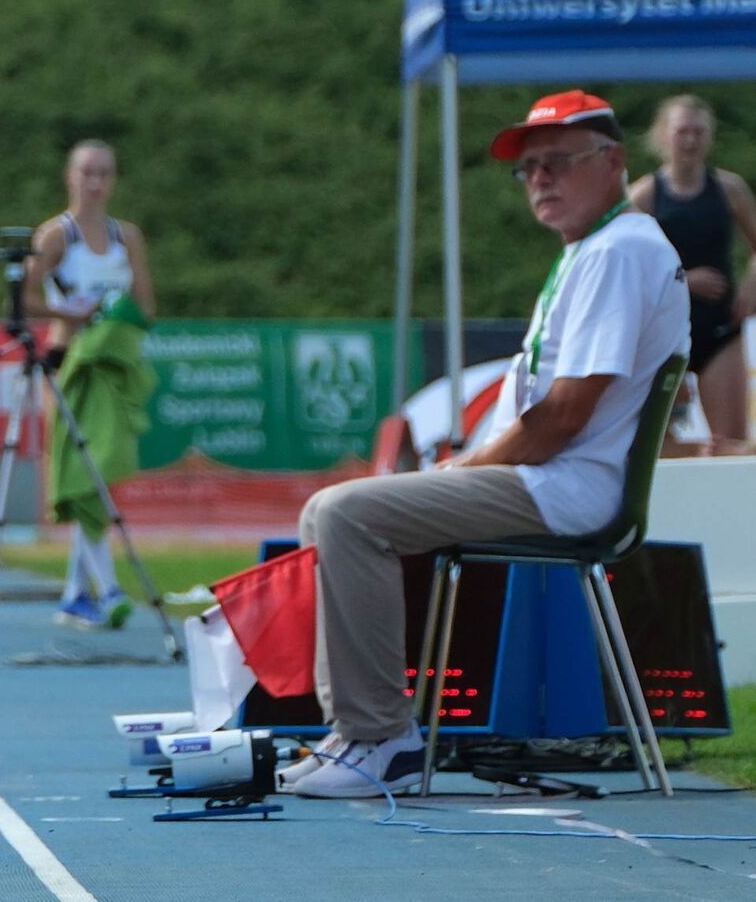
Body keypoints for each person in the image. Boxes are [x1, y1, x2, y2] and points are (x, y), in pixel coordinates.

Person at [285, 90, 688, 798]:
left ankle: (384, 739)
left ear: (615, 161)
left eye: (558, 162)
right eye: (529, 169)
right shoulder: (599, 249)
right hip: (556, 479)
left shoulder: (619, 251)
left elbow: (564, 417)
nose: (541, 179)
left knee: (347, 514)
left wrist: (464, 465)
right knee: (325, 513)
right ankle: (356, 733)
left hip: (568, 487)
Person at [24, 141, 155, 630]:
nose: (96, 182)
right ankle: (109, 586)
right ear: (70, 177)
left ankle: (76, 593)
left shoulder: (128, 237)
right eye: (87, 173)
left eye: (104, 173)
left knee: (100, 474)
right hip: (69, 365)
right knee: (84, 475)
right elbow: (21, 296)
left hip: (111, 367)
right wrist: (69, 312)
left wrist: (115, 321)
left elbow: (146, 305)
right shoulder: (58, 234)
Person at [629, 95, 756, 447]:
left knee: (730, 442)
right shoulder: (643, 196)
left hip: (720, 327)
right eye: (682, 131)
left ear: (709, 137)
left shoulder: (729, 189)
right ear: (663, 136)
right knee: (654, 444)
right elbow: (623, 272)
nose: (689, 140)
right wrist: (684, 280)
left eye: (698, 132)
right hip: (664, 335)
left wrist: (750, 285)